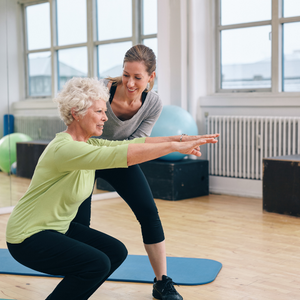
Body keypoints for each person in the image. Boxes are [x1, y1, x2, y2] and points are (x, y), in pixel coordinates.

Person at [5, 77, 218, 300]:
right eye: (99, 111)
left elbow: (131, 145)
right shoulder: (65, 149)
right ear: (77, 112)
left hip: (57, 228)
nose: (106, 117)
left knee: (115, 252)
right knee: (96, 263)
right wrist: (174, 147)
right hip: (27, 237)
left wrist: (182, 138)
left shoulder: (88, 143)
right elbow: (122, 155)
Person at [72, 44, 220, 300]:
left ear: (151, 77)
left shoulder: (152, 103)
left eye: (137, 77)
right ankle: (76, 275)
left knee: (149, 212)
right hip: (88, 156)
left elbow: (137, 144)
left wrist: (175, 142)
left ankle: (162, 282)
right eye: (126, 74)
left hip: (121, 158)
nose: (130, 83)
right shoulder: (101, 91)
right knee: (80, 223)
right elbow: (76, 127)